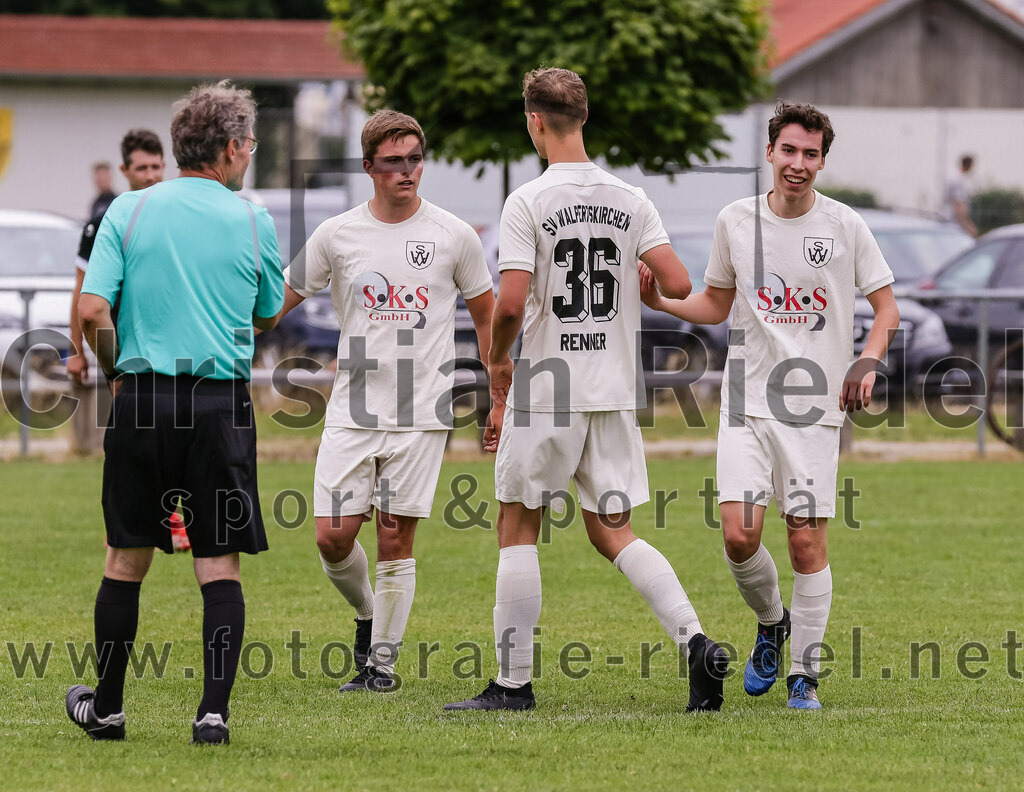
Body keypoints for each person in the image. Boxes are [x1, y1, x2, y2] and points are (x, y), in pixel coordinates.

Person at [444, 67, 729, 713]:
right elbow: (680, 282)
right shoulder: (630, 197)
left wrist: (498, 359)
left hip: (549, 386)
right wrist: (650, 290)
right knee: (612, 530)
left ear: (534, 121)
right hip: (614, 387)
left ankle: (513, 685)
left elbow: (510, 301)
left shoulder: (529, 200)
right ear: (584, 117)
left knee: (518, 524)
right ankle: (695, 642)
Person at [638, 101, 900, 710]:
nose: (798, 164)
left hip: (813, 411)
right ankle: (773, 621)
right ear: (770, 153)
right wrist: (664, 305)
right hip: (745, 403)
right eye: (789, 151)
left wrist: (868, 358)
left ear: (823, 161)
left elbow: (887, 308)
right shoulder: (736, 220)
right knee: (738, 536)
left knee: (806, 542)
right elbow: (715, 304)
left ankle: (803, 676)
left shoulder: (845, 227)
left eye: (811, 155)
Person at [65, 81, 283, 745]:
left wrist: (116, 372)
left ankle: (108, 710)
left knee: (125, 557)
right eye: (246, 144)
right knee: (218, 562)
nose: (248, 155)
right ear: (228, 148)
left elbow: (91, 309)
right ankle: (212, 714)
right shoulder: (252, 219)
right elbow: (268, 312)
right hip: (219, 403)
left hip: (144, 399)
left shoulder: (127, 212)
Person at [278, 109, 494, 693]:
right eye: (393, 161)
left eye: (414, 159)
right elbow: (277, 303)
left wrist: (497, 395)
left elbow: (490, 321)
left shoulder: (453, 235)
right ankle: (368, 615)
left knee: (395, 535)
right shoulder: (337, 233)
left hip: (423, 412)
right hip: (353, 410)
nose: (407, 171)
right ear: (370, 167)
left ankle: (380, 666)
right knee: (331, 535)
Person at [67, 129, 165, 385]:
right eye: (142, 168)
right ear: (125, 170)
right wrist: (76, 351)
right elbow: (82, 289)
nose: (151, 175)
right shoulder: (106, 221)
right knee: (125, 418)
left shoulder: (175, 216)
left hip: (169, 346)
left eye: (156, 166)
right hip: (122, 346)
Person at [945, 154, 977, 237]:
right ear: (969, 165)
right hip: (955, 221)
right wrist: (968, 225)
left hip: (951, 219)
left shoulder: (955, 178)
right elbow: (959, 206)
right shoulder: (958, 180)